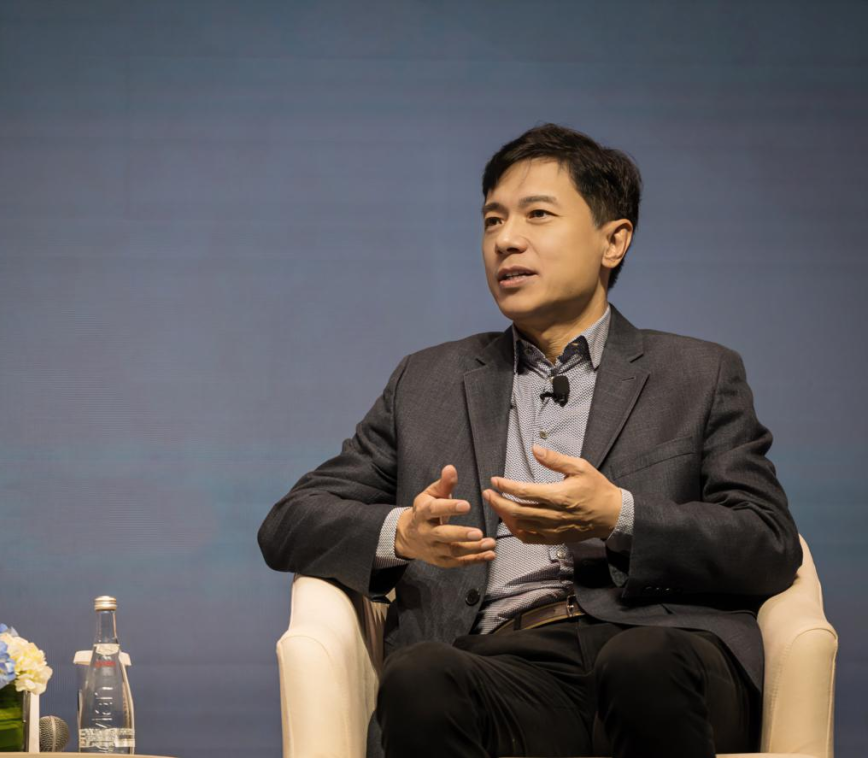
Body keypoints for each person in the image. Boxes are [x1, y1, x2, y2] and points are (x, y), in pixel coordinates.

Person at [257, 123, 802, 758]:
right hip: (504, 664)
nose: (506, 240)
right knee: (420, 677)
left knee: (641, 662)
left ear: (613, 240)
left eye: (537, 215)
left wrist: (620, 517)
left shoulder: (698, 373)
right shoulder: (427, 382)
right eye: (493, 221)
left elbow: (768, 542)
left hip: (662, 654)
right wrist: (403, 533)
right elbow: (289, 522)